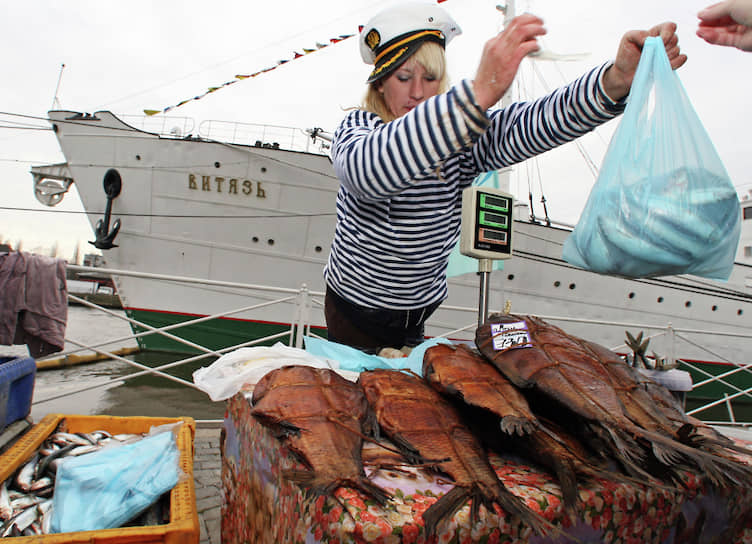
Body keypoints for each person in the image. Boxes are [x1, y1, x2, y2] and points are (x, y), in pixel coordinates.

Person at [323, 1, 687, 354]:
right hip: (353, 315)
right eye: (404, 77)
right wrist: (480, 91)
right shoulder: (358, 129)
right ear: (381, 84)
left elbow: (533, 122)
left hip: (415, 316)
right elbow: (367, 172)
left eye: (430, 78)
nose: (417, 92)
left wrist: (615, 81)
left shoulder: (462, 141)